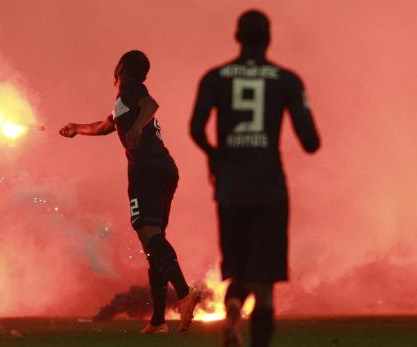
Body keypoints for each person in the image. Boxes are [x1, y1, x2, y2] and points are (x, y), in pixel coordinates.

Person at [190, 10, 320, 347]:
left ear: (237, 37)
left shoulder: (215, 78)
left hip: (231, 189)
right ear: (268, 39)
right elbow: (311, 142)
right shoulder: (286, 79)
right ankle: (254, 333)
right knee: (264, 284)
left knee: (238, 268)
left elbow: (195, 128)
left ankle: (232, 306)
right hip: (268, 188)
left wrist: (216, 155)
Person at [59, 50, 201, 334]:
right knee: (154, 244)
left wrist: (137, 128)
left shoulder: (129, 87)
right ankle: (159, 320)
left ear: (122, 67)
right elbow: (103, 127)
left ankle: (184, 294)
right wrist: (77, 128)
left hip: (146, 169)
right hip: (164, 169)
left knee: (148, 233)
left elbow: (151, 105)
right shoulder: (122, 104)